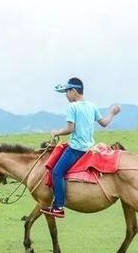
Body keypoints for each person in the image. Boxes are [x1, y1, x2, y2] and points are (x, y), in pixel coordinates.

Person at [41, 77, 121, 218]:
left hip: (76, 149)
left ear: (74, 91)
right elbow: (104, 123)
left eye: (67, 91)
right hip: (90, 148)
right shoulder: (92, 106)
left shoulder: (73, 107)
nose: (66, 95)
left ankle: (58, 206)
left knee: (57, 172)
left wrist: (56, 132)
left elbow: (70, 128)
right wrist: (112, 113)